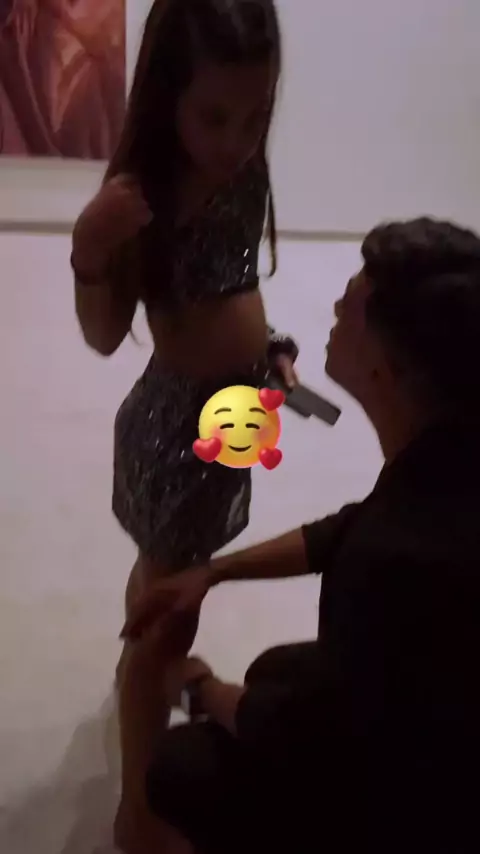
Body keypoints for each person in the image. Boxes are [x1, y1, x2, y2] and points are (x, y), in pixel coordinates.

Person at [125, 217, 480, 854]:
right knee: (277, 668)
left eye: (353, 304)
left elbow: (297, 735)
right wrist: (214, 571)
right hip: (439, 706)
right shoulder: (448, 459)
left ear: (386, 367)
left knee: (184, 765)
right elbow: (351, 525)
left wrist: (196, 685)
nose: (336, 306)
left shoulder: (394, 562)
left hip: (425, 799)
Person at [71, 1, 298, 851]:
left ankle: (142, 668)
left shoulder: (242, 174)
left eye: (256, 115)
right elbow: (103, 336)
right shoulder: (143, 199)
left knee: (163, 586)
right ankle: (140, 811)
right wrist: (89, 251)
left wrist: (269, 349)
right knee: (173, 621)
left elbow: (235, 288)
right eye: (214, 116)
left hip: (235, 413)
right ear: (168, 92)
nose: (237, 140)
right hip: (176, 437)